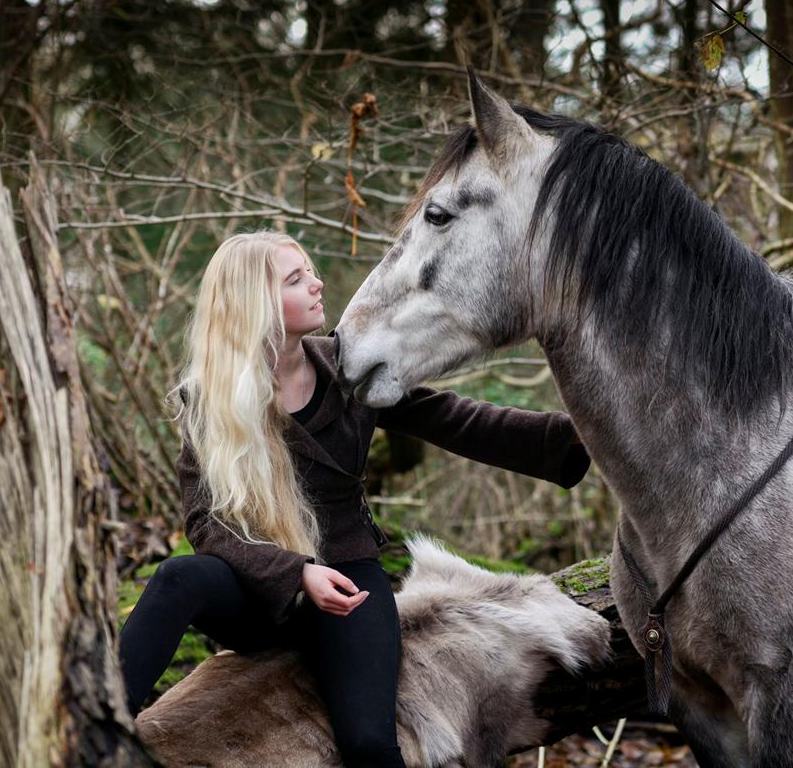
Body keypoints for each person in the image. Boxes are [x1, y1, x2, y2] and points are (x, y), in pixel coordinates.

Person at [117, 231, 590, 767]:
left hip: (349, 583)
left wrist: (577, 437)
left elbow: (452, 418)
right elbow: (205, 524)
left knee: (369, 745)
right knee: (180, 575)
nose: (318, 284)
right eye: (296, 279)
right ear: (256, 302)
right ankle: (97, 726)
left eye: (311, 271)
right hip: (259, 593)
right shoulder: (208, 399)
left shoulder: (350, 367)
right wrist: (295, 573)